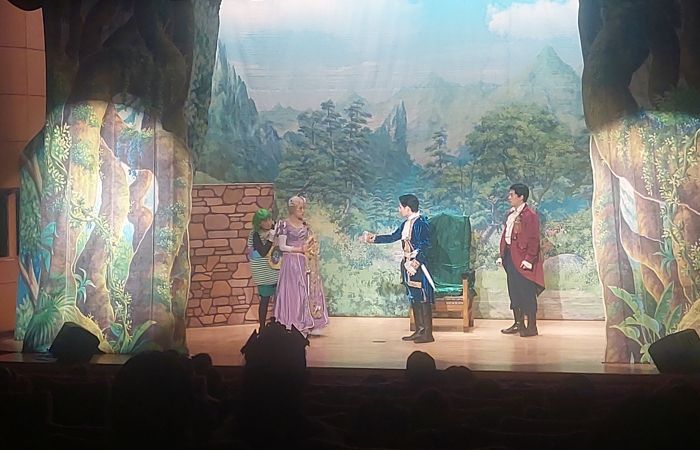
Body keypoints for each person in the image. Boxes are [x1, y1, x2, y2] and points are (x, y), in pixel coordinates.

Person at [366, 194, 435, 343]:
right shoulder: (406, 224)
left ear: (408, 208)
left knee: (423, 297)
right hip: (407, 265)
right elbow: (393, 237)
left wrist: (416, 263)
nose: (399, 210)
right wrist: (374, 239)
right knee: (414, 297)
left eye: (400, 207)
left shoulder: (421, 223)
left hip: (419, 267)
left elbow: (427, 245)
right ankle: (419, 330)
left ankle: (428, 334)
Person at [274, 196, 329, 336]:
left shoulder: (305, 225)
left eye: (303, 208)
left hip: (305, 261)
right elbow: (282, 246)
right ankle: (294, 323)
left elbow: (310, 242)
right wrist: (298, 249)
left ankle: (310, 322)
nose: (303, 211)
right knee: (295, 292)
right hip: (291, 262)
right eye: (300, 208)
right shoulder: (284, 224)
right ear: (292, 209)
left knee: (308, 291)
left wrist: (310, 249)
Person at [496, 183, 545, 337]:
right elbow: (507, 235)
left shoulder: (530, 215)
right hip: (510, 257)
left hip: (523, 259)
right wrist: (502, 255)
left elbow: (534, 239)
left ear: (521, 197)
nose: (509, 197)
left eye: (512, 195)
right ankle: (518, 323)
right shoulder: (510, 214)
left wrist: (529, 259)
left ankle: (531, 326)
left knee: (527, 293)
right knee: (514, 291)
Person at [247, 208, 280, 330]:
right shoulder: (255, 234)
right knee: (265, 300)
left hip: (276, 269)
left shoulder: (275, 230)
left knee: (279, 299)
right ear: (258, 223)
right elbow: (262, 252)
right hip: (263, 273)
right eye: (264, 221)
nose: (268, 223)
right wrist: (270, 239)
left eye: (269, 219)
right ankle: (262, 327)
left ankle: (278, 325)